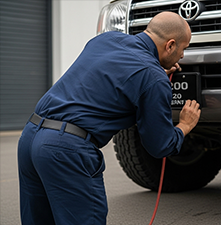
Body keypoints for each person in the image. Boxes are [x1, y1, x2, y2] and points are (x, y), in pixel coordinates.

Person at [18, 11, 201, 225]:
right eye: (183, 49)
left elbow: (115, 69)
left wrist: (154, 69)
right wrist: (184, 126)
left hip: (30, 138)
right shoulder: (153, 77)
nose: (182, 56)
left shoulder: (105, 39)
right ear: (170, 45)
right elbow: (159, 145)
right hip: (66, 149)